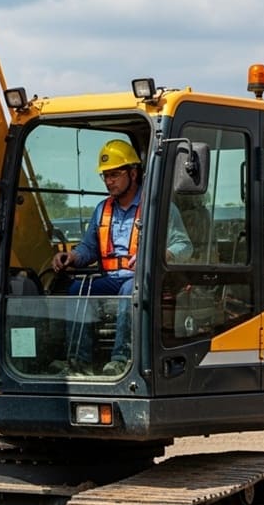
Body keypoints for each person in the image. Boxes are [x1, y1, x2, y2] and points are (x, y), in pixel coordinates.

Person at [51, 139, 192, 375]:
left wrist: (161, 254)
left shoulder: (157, 208)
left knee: (130, 291)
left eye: (114, 174)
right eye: (105, 176)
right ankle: (78, 361)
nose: (109, 181)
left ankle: (120, 360)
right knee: (77, 289)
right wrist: (72, 256)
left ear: (133, 173)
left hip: (142, 280)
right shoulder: (102, 210)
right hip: (110, 279)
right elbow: (89, 248)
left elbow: (184, 246)